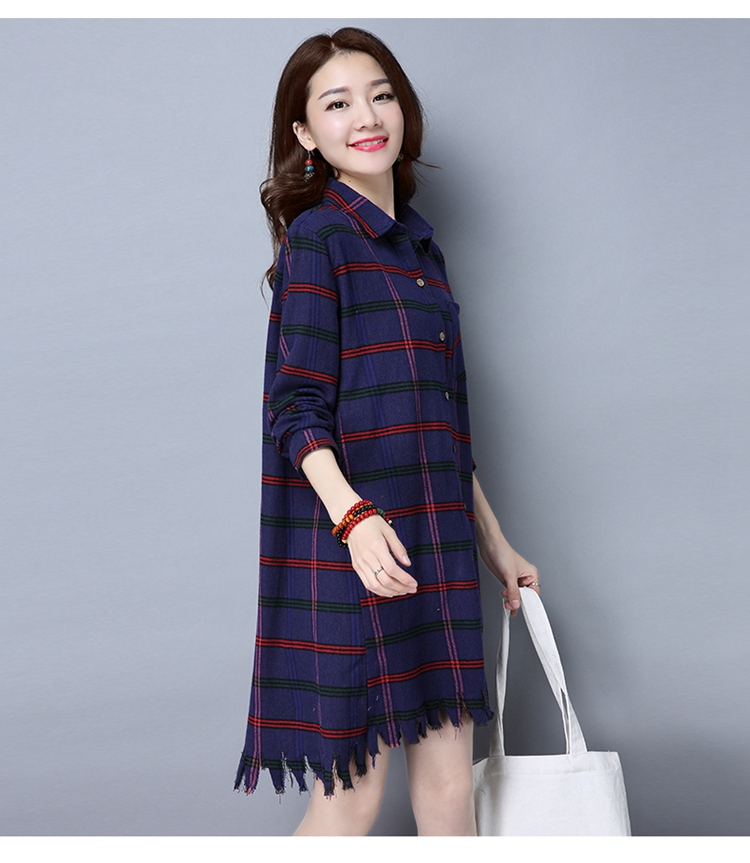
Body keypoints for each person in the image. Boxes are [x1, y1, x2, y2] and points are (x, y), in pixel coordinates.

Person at [235, 27, 540, 837]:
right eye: (337, 104)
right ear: (306, 133)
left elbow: (438, 420)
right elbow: (295, 407)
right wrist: (354, 517)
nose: (367, 116)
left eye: (381, 95)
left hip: (434, 541)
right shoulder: (319, 239)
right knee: (352, 801)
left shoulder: (420, 249)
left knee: (449, 792)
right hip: (356, 547)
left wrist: (494, 542)